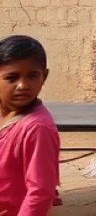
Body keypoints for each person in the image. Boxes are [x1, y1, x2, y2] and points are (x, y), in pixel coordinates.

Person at [0, 35, 60, 216]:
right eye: (12, 77)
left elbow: (40, 192)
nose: (23, 85)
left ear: (44, 76)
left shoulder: (36, 128)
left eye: (33, 76)